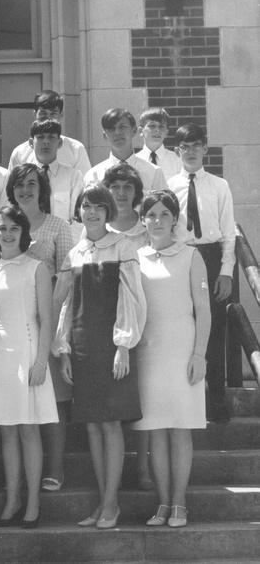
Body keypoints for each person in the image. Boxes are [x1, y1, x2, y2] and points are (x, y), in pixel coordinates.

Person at [53, 184, 146, 529]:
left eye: (98, 207)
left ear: (108, 211)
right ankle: (101, 502)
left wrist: (123, 346)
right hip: (81, 347)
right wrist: (63, 351)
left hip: (111, 348)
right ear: (78, 211)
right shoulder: (75, 253)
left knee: (110, 423)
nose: (91, 213)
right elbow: (65, 305)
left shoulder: (123, 247)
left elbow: (132, 300)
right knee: (92, 425)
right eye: (86, 206)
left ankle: (112, 504)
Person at [0, 206, 57, 528]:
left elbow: (46, 319)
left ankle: (33, 500)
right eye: (1, 229)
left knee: (28, 429)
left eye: (13, 228)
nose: (7, 234)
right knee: (7, 431)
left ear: (23, 232)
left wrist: (40, 361)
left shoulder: (37, 268)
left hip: (28, 352)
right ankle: (13, 498)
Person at [133, 190, 210, 528]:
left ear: (175, 219)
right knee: (155, 433)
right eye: (151, 214)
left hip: (183, 355)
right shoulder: (135, 258)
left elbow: (203, 309)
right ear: (143, 219)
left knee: (180, 430)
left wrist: (199, 354)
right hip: (148, 356)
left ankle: (179, 503)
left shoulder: (191, 256)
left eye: (165, 214)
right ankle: (162, 503)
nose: (158, 221)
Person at [6, 163, 73, 493]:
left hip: (49, 317)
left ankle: (56, 466)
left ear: (42, 188)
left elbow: (67, 275)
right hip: (14, 323)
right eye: (19, 184)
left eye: (32, 183)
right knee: (20, 395)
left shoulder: (58, 226)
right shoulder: (5, 224)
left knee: (55, 397)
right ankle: (21, 471)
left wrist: (54, 321)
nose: (25, 190)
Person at [168, 123, 235, 423]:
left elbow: (229, 234)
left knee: (215, 328)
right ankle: (185, 399)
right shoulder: (170, 186)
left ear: (205, 148)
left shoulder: (219, 186)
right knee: (184, 328)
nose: (191, 151)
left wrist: (226, 271)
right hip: (182, 258)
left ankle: (216, 399)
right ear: (177, 150)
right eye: (185, 146)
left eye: (196, 145)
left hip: (210, 258)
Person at [101, 162, 152, 490]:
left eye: (127, 188)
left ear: (136, 192)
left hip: (144, 322)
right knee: (113, 402)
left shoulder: (147, 229)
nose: (120, 194)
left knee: (143, 399)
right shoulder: (98, 227)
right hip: (108, 325)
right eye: (115, 187)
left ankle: (144, 465)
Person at [9, 90, 91, 175]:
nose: (48, 119)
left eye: (53, 114)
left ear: (61, 114)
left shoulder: (75, 149)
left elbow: (84, 184)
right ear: (34, 114)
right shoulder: (20, 153)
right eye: (43, 114)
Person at [84, 108, 168, 191]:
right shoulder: (94, 176)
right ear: (105, 135)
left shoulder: (153, 172)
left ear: (134, 131)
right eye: (111, 128)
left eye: (122, 127)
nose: (117, 132)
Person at [24, 119, 84, 235]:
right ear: (31, 143)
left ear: (60, 142)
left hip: (65, 245)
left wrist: (61, 244)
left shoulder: (73, 176)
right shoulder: (22, 177)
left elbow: (78, 220)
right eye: (40, 137)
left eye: (51, 137)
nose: (46, 142)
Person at [135, 108, 182, 183]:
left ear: (166, 133)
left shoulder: (177, 160)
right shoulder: (134, 161)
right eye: (152, 126)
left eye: (161, 126)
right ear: (141, 131)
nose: (157, 130)